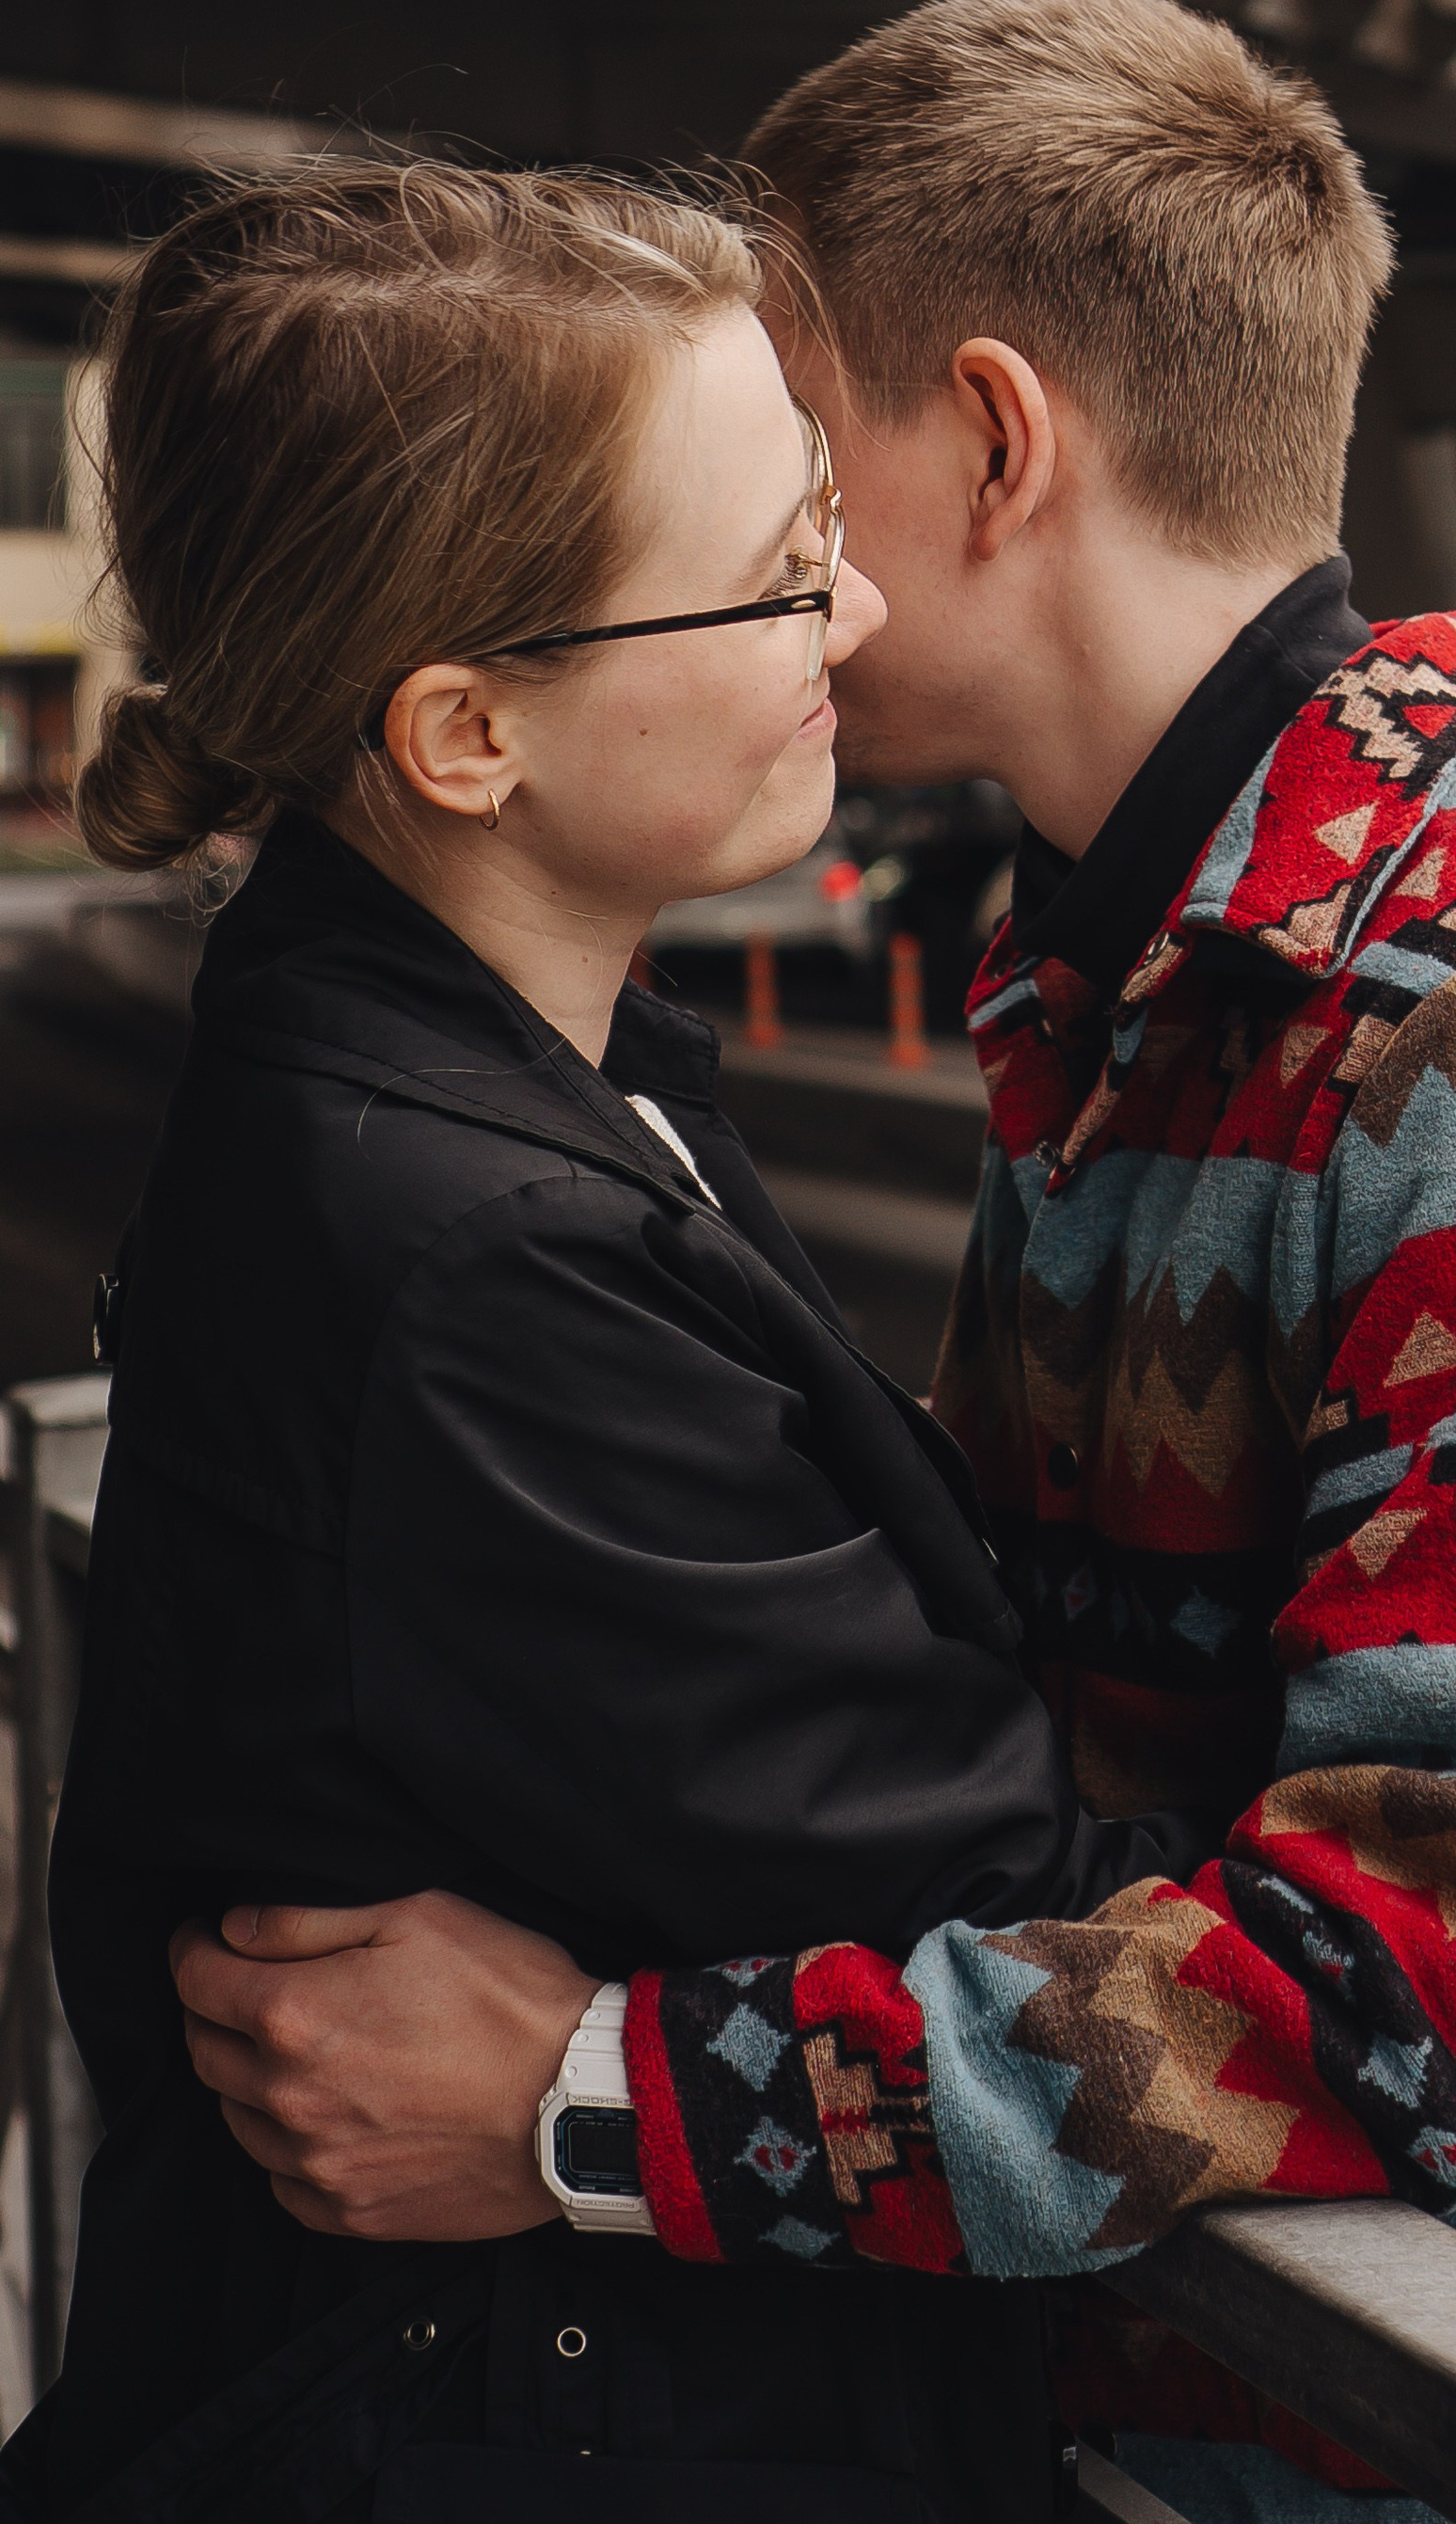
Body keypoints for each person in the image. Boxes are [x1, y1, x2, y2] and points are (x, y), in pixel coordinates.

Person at [171, 0, 1456, 2516]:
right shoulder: (1140, 965)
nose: (793, 578)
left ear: (993, 441)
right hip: (1241, 2409)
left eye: (796, 472)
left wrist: (602, 2101)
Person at [16, 163, 1229, 2523]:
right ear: (467, 734)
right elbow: (1006, 1912)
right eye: (777, 573)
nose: (854, 607)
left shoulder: (514, 1085)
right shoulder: (460, 1255)